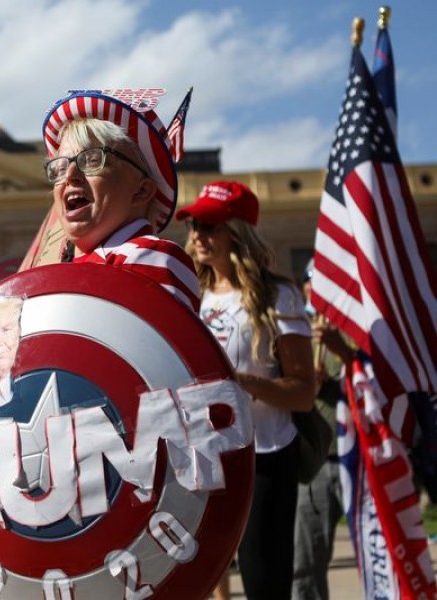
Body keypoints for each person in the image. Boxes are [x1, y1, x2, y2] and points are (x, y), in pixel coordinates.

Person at [176, 180, 316, 600]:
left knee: (263, 582)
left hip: (264, 457)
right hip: (202, 456)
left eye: (210, 225)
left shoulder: (279, 295)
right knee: (196, 573)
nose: (198, 234)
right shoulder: (190, 295)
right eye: (195, 224)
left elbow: (304, 392)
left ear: (238, 232)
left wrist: (239, 382)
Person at [42, 90, 200, 312]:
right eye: (59, 166)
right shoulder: (61, 272)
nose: (69, 175)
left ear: (141, 191)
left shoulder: (148, 257)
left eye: (92, 159)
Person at [293, 260, 353, 600]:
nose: (316, 290)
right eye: (310, 282)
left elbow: (376, 378)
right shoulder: (296, 331)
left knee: (376, 547)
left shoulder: (351, 333)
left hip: (354, 456)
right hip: (313, 460)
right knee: (304, 564)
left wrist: (342, 353)